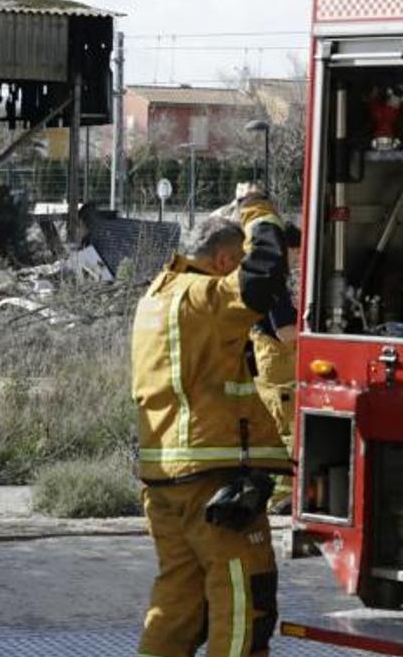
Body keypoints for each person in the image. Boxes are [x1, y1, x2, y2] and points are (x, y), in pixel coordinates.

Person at [131, 196, 292, 657]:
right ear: (223, 260)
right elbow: (263, 277)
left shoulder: (154, 298)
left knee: (177, 603)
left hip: (163, 479)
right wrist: (259, 213)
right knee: (242, 601)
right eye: (234, 263)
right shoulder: (206, 298)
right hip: (213, 477)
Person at [250, 222, 303, 512]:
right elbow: (284, 331)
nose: (297, 262)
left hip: (269, 361)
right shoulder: (275, 283)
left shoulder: (265, 276)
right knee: (288, 429)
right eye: (297, 255)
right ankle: (279, 499)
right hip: (276, 363)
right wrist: (312, 329)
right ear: (289, 250)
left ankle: (276, 495)